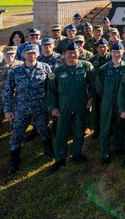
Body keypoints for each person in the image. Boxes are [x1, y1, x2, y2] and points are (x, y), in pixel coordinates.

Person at [3, 44, 54, 175]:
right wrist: (8, 110)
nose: (31, 55)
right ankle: (14, 160)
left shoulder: (46, 68)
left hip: (40, 107)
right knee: (17, 134)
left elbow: (52, 88)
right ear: (24, 55)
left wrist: (52, 105)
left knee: (44, 130)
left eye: (34, 53)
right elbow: (8, 91)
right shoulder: (16, 71)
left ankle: (48, 149)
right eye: (28, 53)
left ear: (38, 54)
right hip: (21, 109)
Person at [47, 43, 95, 172]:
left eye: (74, 52)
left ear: (79, 52)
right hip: (64, 103)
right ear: (64, 54)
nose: (72, 55)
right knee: (61, 130)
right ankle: (60, 158)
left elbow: (92, 84)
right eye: (69, 53)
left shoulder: (86, 66)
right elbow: (51, 91)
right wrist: (53, 107)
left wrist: (91, 98)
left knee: (80, 128)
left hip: (81, 101)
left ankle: (76, 153)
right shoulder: (57, 71)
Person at [96, 42, 125, 164]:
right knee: (105, 126)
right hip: (108, 101)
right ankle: (104, 151)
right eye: (114, 52)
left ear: (123, 52)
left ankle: (119, 146)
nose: (116, 54)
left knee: (121, 125)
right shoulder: (104, 69)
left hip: (122, 101)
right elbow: (99, 88)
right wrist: (107, 98)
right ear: (110, 52)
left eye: (119, 51)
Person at [0, 46, 22, 146]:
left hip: (15, 96)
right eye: (7, 54)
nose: (9, 56)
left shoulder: (20, 65)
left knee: (15, 116)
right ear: (3, 55)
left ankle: (15, 134)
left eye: (12, 54)